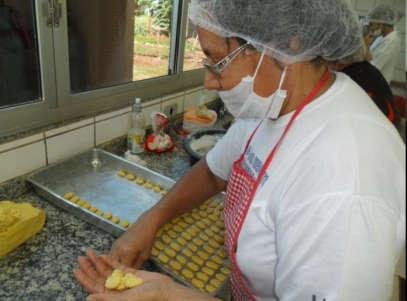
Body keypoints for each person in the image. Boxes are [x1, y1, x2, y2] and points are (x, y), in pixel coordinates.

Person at [74, 0, 406, 300]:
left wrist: (167, 295)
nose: (208, 82)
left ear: (285, 44)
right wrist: (150, 220)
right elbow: (213, 172)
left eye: (218, 60)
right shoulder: (271, 103)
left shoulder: (345, 184)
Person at [368, 4, 403, 83]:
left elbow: (375, 66)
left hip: (378, 83)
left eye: (372, 24)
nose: (371, 27)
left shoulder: (393, 41)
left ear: (381, 23)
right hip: (371, 79)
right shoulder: (381, 37)